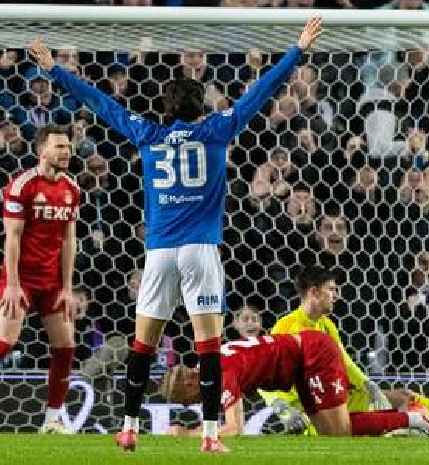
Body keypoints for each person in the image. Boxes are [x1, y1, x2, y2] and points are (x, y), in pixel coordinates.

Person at [29, 16, 323, 453]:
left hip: (160, 252)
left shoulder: (148, 134)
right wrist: (297, 49)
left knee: (142, 345)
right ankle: (209, 435)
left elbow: (101, 103)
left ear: (164, 109)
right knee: (208, 346)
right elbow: (259, 95)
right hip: (201, 250)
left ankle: (128, 427)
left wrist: (54, 67)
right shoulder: (217, 129)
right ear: (199, 106)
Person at [265, 265, 429, 436]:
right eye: (331, 289)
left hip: (340, 398)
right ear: (313, 292)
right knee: (396, 428)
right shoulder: (286, 328)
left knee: (404, 397)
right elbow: (264, 373)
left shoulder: (326, 325)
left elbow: (346, 362)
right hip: (313, 412)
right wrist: (281, 407)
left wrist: (367, 384)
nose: (337, 295)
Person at [161, 331, 429, 438]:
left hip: (312, 353)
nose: (189, 404)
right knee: (333, 433)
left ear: (189, 380)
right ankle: (411, 420)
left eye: (184, 398)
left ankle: (414, 419)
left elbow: (234, 428)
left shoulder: (220, 373)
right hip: (300, 365)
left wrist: (188, 435)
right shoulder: (211, 365)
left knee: (340, 431)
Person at [0, 125, 80, 433]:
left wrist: (68, 288)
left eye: (68, 147)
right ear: (41, 150)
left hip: (53, 283)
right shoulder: (22, 186)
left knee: (66, 347)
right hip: (21, 279)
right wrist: (12, 284)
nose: (66, 152)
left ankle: (52, 419)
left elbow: (69, 240)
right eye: (59, 146)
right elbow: (13, 238)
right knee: (5, 343)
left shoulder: (72, 190)